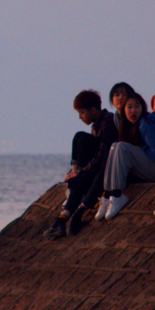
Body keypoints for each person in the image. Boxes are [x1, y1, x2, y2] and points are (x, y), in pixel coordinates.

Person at [45, 90, 119, 238]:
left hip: (105, 169)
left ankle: (61, 220)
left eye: (81, 112)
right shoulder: (96, 125)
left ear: (93, 110)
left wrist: (82, 171)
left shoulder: (108, 122)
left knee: (81, 139)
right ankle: (60, 222)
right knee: (80, 137)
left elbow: (103, 155)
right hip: (93, 169)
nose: (80, 117)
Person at [96, 92, 155, 220]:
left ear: (143, 108)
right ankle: (108, 195)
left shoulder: (145, 124)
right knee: (115, 146)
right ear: (124, 110)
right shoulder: (132, 125)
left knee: (122, 147)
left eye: (137, 107)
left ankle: (117, 195)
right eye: (130, 107)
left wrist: (141, 148)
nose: (133, 110)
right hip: (154, 167)